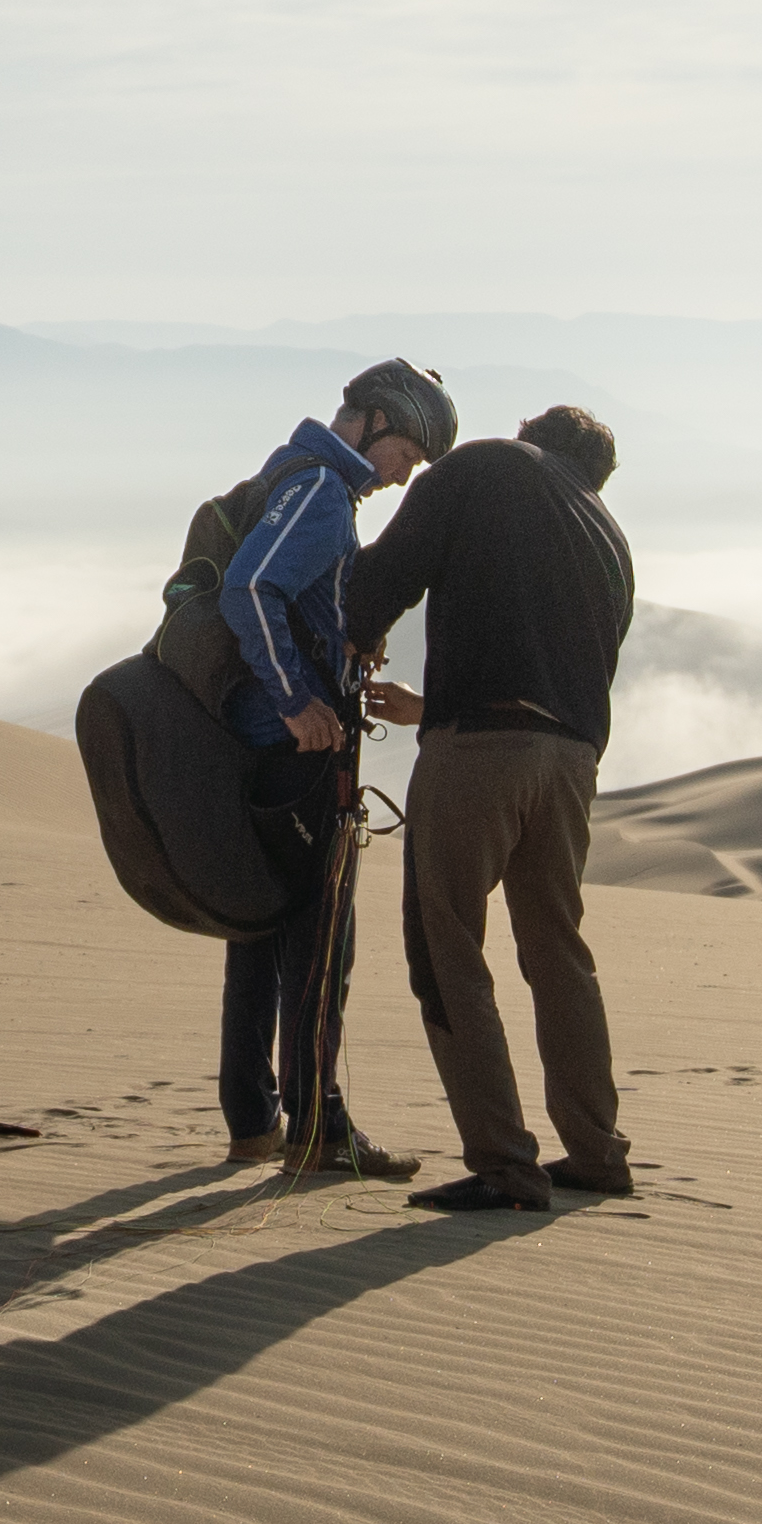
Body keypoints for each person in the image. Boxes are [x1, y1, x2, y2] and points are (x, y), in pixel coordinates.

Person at [161, 360, 455, 1176]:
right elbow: (252, 589)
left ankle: (252, 1122)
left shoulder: (291, 476)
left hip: (261, 746)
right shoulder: (323, 489)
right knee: (322, 938)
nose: (404, 476)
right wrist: (297, 698)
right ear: (377, 423)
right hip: (296, 754)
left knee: (256, 931)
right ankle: (318, 1130)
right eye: (410, 454)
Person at [342, 401, 637, 1214]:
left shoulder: (483, 467)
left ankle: (506, 1165)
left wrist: (345, 632)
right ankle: (598, 1151)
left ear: (530, 438)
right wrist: (432, 705)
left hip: (480, 756)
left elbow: (382, 580)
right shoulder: (608, 537)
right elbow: (550, 663)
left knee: (446, 951)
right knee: (555, 950)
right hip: (570, 766)